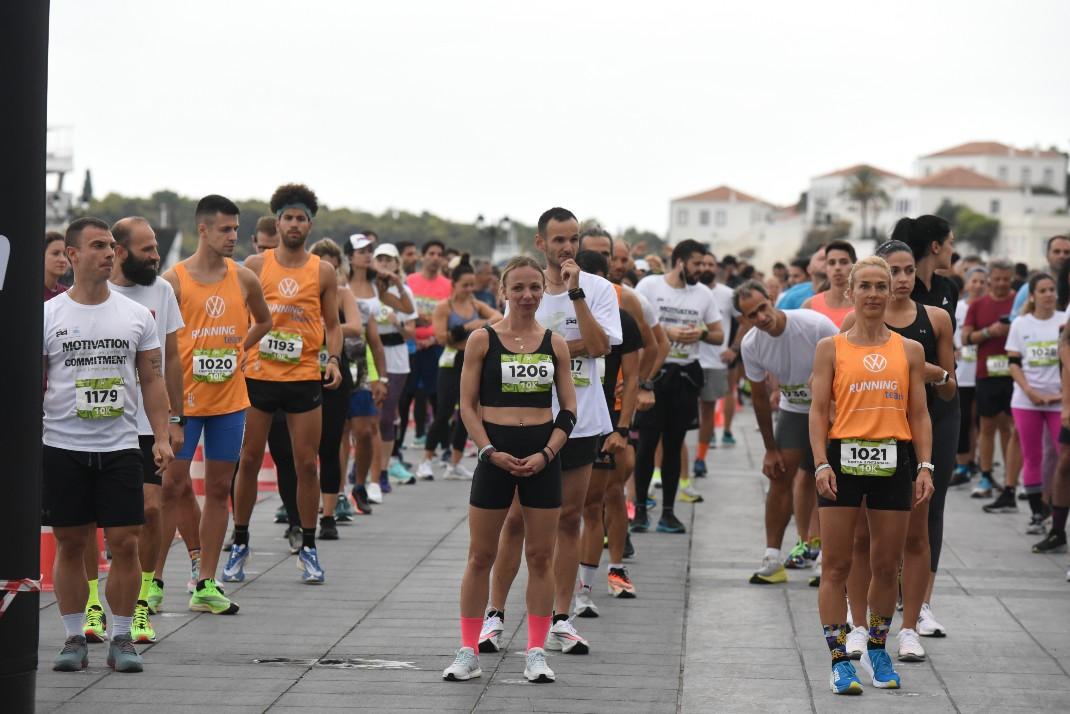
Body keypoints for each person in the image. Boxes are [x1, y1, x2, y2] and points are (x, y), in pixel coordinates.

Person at [483, 208, 621, 656]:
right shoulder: (528, 289)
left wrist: (576, 296)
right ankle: (494, 614)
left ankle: (562, 617)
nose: (568, 247)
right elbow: (514, 340)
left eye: (574, 239)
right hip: (529, 418)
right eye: (559, 240)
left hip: (582, 421)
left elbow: (601, 347)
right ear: (541, 242)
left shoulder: (598, 289)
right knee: (516, 521)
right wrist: (557, 348)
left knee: (569, 519)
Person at [46, 217, 174, 674]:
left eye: (111, 246)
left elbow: (153, 381)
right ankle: (73, 637)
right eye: (97, 246)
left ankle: (122, 638)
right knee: (71, 543)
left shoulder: (136, 316)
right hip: (62, 444)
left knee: (124, 542)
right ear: (73, 255)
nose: (108, 253)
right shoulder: (48, 315)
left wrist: (162, 435)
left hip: (121, 444)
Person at [441, 256, 576, 684]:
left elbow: (569, 410)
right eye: (517, 288)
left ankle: (536, 651)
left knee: (540, 556)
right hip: (494, 455)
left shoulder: (555, 342)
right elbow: (466, 406)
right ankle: (467, 650)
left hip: (541, 455)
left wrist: (548, 454)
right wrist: (487, 451)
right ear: (502, 291)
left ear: (543, 290)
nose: (527, 296)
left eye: (535, 287)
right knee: (481, 555)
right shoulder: (482, 340)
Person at [809, 255, 934, 695]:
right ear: (852, 292)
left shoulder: (909, 350)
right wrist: (821, 461)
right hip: (843, 460)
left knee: (886, 565)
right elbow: (819, 410)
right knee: (837, 564)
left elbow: (918, 413)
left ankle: (878, 650)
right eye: (867, 286)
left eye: (883, 286)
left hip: (894, 458)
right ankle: (840, 659)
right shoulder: (831, 347)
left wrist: (925, 465)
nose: (875, 294)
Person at [840, 240, 958, 661]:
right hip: (869, 434)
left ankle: (912, 623)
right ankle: (857, 625)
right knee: (859, 536)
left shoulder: (936, 319)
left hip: (921, 428)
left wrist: (926, 372)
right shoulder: (853, 322)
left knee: (917, 529)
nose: (903, 280)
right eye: (896, 271)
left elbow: (949, 387)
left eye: (908, 271)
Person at [226, 183, 343, 585]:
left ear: (310, 224)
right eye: (288, 218)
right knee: (249, 460)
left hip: (303, 376)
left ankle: (308, 546)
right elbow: (239, 315)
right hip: (259, 376)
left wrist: (334, 359)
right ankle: (239, 541)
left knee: (306, 463)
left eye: (301, 218)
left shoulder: (322, 270)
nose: (294, 224)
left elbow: (333, 324)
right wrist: (238, 349)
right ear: (277, 223)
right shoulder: (256, 267)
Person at [161, 195, 272, 614]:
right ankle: (153, 580)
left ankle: (206, 581)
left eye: (236, 229)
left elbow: (265, 320)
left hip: (228, 401)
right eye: (225, 229)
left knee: (219, 489)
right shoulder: (172, 281)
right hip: (184, 402)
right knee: (172, 486)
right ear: (202, 229)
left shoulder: (244, 278)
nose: (233, 237)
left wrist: (241, 349)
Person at [105, 217, 188, 643]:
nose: (156, 256)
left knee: (151, 509)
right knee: (102, 525)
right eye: (147, 249)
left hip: (147, 422)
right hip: (101, 424)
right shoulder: (97, 293)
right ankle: (94, 603)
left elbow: (172, 358)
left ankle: (142, 602)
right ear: (119, 252)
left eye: (156, 247)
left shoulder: (162, 291)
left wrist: (175, 418)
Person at [735, 280, 837, 584]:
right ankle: (772, 558)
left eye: (763, 308)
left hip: (832, 410)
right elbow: (757, 397)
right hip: (794, 410)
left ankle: (826, 557)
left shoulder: (815, 324)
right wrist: (769, 448)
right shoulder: (751, 344)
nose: (761, 317)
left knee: (832, 481)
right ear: (744, 320)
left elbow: (848, 360)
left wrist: (827, 392)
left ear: (772, 299)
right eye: (752, 315)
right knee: (779, 476)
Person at [572, 247, 650, 609]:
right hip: (563, 421)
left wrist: (622, 426)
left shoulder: (622, 317)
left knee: (608, 497)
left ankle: (614, 569)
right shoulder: (553, 312)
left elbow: (634, 376)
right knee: (573, 509)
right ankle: (569, 587)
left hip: (606, 422)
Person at [633, 239, 723, 532]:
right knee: (646, 445)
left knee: (674, 444)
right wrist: (665, 332)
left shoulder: (703, 295)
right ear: (681, 262)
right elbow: (633, 324)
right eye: (696, 264)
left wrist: (700, 332)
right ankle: (641, 510)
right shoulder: (649, 287)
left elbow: (718, 335)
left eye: (704, 264)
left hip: (685, 376)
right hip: (654, 375)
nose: (701, 269)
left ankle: (668, 513)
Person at [420, 255, 502, 479]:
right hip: (451, 361)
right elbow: (441, 337)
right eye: (464, 285)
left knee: (468, 412)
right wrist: (469, 327)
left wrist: (480, 324)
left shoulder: (476, 304)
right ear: (453, 284)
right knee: (444, 411)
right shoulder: (444, 307)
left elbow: (499, 316)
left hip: (472, 359)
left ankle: (455, 463)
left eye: (471, 285)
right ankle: (427, 459)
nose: (469, 289)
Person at [308, 238, 364, 539]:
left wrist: (324, 328)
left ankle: (328, 514)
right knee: (300, 451)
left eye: (332, 263)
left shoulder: (342, 293)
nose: (327, 268)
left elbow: (355, 326)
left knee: (330, 444)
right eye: (321, 262)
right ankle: (298, 513)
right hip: (298, 372)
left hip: (333, 372)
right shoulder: (301, 292)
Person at [1006, 274, 1064, 532]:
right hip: (1027, 400)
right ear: (1032, 295)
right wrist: (1029, 391)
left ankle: (1054, 504)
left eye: (1052, 289)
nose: (1049, 294)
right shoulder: (1020, 324)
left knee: (1063, 456)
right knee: (1033, 456)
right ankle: (1037, 514)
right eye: (1043, 290)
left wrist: (1063, 395)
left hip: (1060, 400)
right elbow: (1013, 363)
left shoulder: (1065, 321)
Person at [961, 259, 1021, 509]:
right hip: (987, 372)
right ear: (989, 279)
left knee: (1011, 428)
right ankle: (985, 476)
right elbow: (966, 338)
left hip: (1014, 372)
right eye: (996, 279)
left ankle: (1011, 482)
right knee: (986, 427)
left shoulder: (1019, 300)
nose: (1000, 284)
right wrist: (989, 332)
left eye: (1005, 279)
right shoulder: (977, 304)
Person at [341, 234, 390, 508]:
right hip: (335, 360)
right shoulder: (338, 284)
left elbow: (375, 339)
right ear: (349, 256)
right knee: (340, 431)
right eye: (361, 250)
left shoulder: (375, 285)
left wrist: (381, 377)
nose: (367, 255)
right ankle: (336, 492)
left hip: (363, 364)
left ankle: (359, 485)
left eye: (370, 250)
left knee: (365, 429)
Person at [369, 243, 418, 487]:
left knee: (386, 416)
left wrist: (395, 322)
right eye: (380, 259)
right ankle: (366, 467)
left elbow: (410, 333)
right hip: (370, 357)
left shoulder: (404, 292)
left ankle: (384, 469)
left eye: (389, 259)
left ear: (397, 263)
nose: (385, 263)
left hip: (396, 357)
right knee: (367, 417)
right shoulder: (367, 289)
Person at [399, 240, 451, 453]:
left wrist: (432, 339)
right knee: (405, 398)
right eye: (431, 253)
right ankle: (396, 449)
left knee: (439, 398)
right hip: (410, 347)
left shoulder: (448, 285)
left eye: (440, 254)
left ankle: (445, 448)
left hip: (435, 346)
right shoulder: (409, 281)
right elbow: (402, 313)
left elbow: (450, 318)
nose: (435, 257)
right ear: (423, 256)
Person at [694, 252, 737, 471]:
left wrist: (734, 349)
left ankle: (700, 458)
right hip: (688, 363)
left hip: (715, 363)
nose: (706, 267)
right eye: (702, 263)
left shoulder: (728, 295)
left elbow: (746, 321)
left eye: (710, 263)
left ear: (716, 267)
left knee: (708, 411)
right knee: (681, 415)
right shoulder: (689, 292)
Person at [951, 267, 987, 486]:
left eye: (983, 281)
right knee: (963, 421)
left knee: (979, 421)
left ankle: (975, 461)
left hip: (983, 372)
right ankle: (962, 463)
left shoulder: (988, 307)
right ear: (966, 284)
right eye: (974, 281)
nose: (978, 285)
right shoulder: (959, 308)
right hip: (962, 372)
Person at [1011, 236, 1070, 318]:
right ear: (1047, 256)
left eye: (1067, 252)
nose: (1062, 256)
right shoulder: (1028, 288)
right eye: (1057, 251)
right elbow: (1014, 319)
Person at [802, 240, 856, 328]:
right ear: (826, 267)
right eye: (831, 263)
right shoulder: (810, 305)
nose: (837, 267)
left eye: (844, 262)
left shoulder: (864, 305)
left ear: (854, 266)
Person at [44, 231, 70, 300]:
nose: (63, 259)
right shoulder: (28, 293)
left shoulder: (68, 295)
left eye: (65, 254)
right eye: (55, 253)